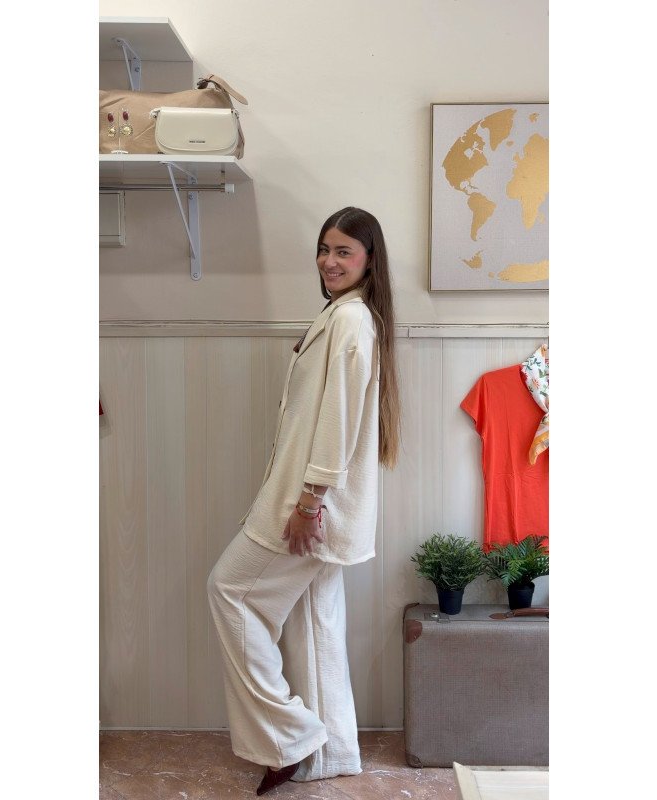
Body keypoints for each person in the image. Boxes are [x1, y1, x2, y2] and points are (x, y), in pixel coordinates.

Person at [207, 207, 400, 796]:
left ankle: (290, 736)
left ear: (369, 259)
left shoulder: (351, 320)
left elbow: (338, 422)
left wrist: (310, 501)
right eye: (324, 249)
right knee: (316, 622)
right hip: (315, 503)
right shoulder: (345, 316)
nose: (329, 261)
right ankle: (331, 753)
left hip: (311, 507)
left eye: (344, 251)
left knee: (229, 591)